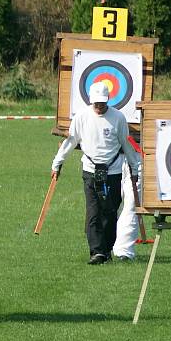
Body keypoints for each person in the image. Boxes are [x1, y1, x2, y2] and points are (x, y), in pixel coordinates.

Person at [51, 82, 140, 265]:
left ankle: (106, 249)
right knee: (93, 211)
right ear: (90, 101)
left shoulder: (118, 118)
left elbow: (126, 144)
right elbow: (70, 142)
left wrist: (134, 168)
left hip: (113, 171)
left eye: (102, 103)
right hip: (90, 171)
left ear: (107, 100)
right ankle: (96, 252)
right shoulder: (81, 117)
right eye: (96, 103)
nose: (99, 106)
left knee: (109, 210)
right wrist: (57, 163)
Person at [112, 137, 143, 261]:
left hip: (137, 154)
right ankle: (103, 248)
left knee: (131, 205)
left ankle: (123, 251)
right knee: (110, 204)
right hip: (111, 156)